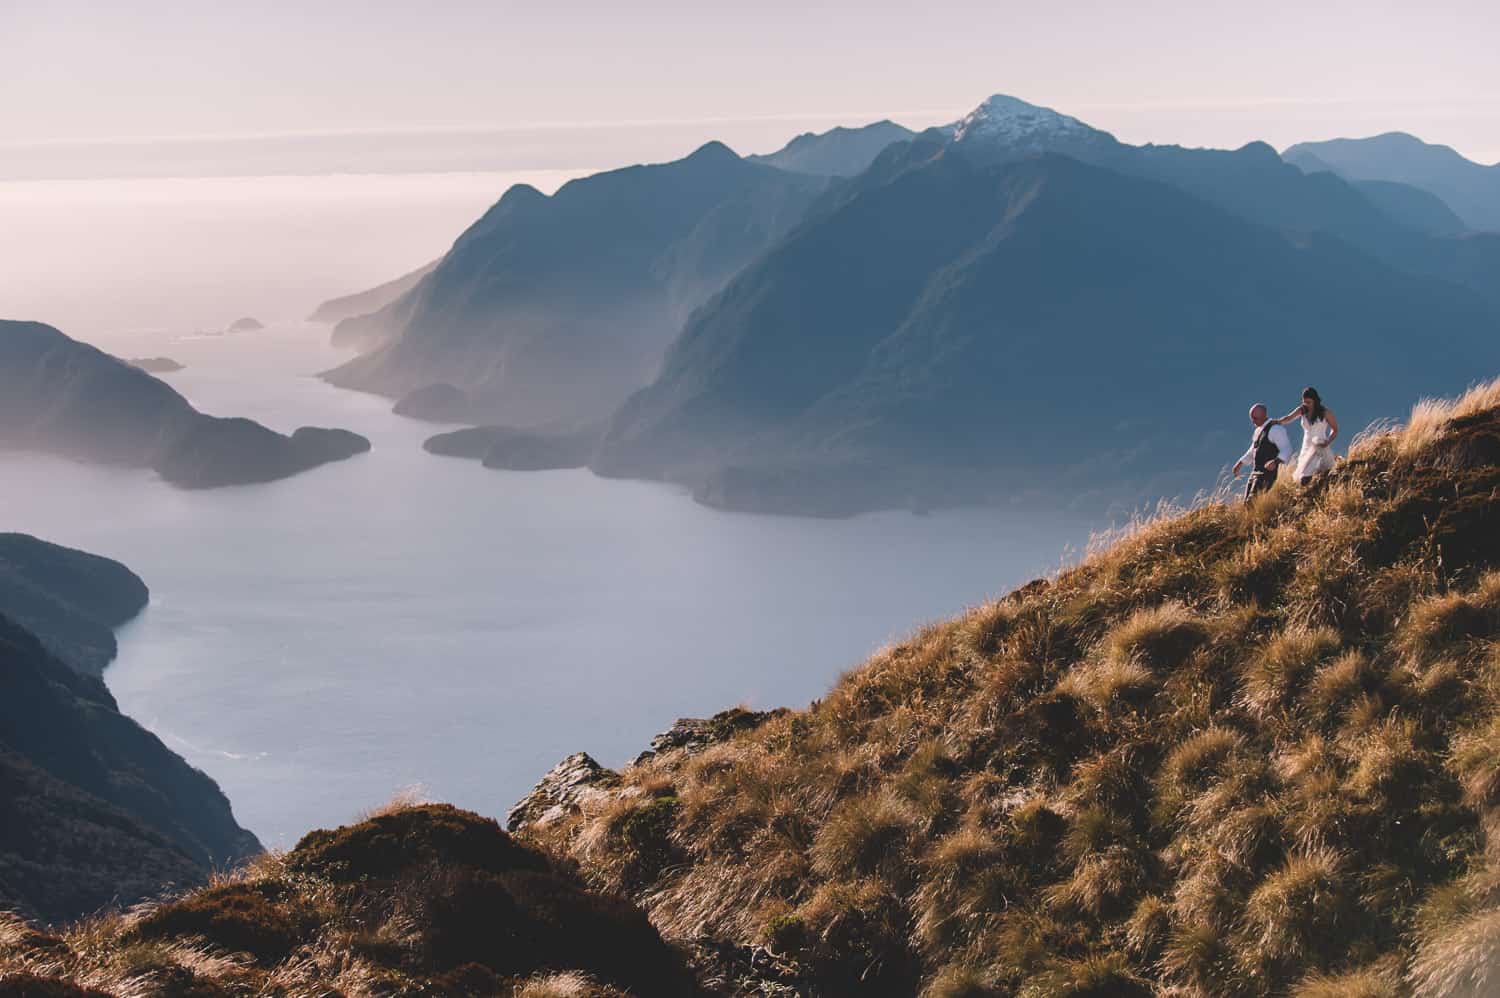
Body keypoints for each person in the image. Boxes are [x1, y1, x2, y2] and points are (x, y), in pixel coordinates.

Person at [1271, 386, 1339, 485]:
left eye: (1309, 402)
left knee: (1313, 471)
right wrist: (1277, 422)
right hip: (1306, 445)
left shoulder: (1325, 412)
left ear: (1315, 400)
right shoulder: (1302, 410)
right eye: (1304, 402)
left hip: (1319, 445)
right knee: (1302, 475)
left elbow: (1335, 429)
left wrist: (1328, 441)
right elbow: (1289, 418)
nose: (1307, 405)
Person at [1232, 402, 1293, 499]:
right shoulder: (1257, 431)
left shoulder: (1276, 429)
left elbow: (1287, 449)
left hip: (1267, 473)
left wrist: (1275, 461)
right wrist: (1240, 464)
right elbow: (1253, 450)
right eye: (1252, 418)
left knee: (1252, 501)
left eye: (1255, 418)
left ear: (1264, 416)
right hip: (1255, 472)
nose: (1253, 422)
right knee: (1246, 503)